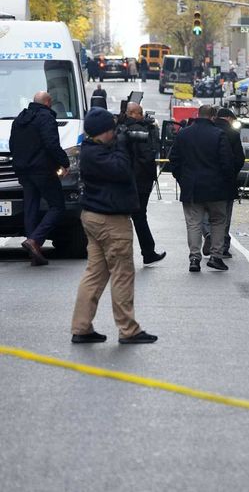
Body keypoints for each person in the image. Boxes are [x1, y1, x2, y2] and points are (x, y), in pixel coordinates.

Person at [70, 107, 157, 345]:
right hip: (111, 220)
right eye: (112, 130)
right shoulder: (98, 154)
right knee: (122, 274)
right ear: (104, 131)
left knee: (95, 274)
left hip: (94, 218)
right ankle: (128, 329)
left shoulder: (90, 149)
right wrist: (122, 143)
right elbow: (122, 170)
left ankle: (81, 327)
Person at [168, 105, 235, 272]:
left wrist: (182, 179)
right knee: (218, 221)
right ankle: (216, 256)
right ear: (213, 117)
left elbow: (174, 159)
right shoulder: (219, 134)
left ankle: (194, 258)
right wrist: (227, 181)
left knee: (193, 223)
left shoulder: (184, 133)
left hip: (191, 187)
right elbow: (227, 162)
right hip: (216, 187)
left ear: (198, 114)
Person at [10, 91, 70, 266]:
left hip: (23, 170)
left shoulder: (19, 119)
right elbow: (52, 144)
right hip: (43, 170)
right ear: (48, 102)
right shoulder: (46, 118)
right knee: (57, 206)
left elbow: (13, 144)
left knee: (30, 208)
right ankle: (35, 240)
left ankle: (33, 251)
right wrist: (64, 162)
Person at [119, 102, 166, 266]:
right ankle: (148, 251)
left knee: (129, 216)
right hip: (140, 179)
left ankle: (145, 252)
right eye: (140, 113)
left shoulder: (121, 128)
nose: (142, 116)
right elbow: (146, 156)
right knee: (139, 216)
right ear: (134, 113)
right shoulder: (139, 130)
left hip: (126, 179)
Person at [202, 107, 246, 260]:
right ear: (228, 118)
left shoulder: (208, 131)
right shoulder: (233, 134)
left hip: (206, 179)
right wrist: (233, 173)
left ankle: (208, 234)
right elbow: (239, 159)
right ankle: (222, 246)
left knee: (205, 211)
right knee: (224, 216)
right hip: (226, 182)